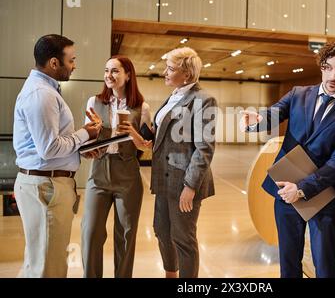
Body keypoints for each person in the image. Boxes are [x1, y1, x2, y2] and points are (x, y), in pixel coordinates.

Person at [241, 39, 335, 278]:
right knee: (288, 263)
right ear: (321, 67)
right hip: (285, 189)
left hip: (320, 195)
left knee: (325, 265)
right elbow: (273, 114)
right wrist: (257, 120)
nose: (333, 75)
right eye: (328, 67)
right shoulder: (298, 94)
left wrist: (302, 189)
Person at [13, 34, 102, 278]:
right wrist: (85, 133)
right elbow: (49, 149)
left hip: (47, 183)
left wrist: (80, 147)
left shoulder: (45, 90)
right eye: (71, 60)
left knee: (42, 260)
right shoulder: (41, 94)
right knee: (47, 267)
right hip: (46, 187)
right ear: (54, 63)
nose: (74, 66)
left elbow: (49, 144)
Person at [81, 55, 152, 278]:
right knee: (90, 233)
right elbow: (86, 141)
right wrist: (90, 140)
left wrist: (134, 135)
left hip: (128, 176)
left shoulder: (142, 107)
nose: (108, 75)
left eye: (114, 71)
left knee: (126, 236)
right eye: (106, 71)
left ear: (128, 75)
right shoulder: (94, 102)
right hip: (99, 174)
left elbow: (147, 149)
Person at [151, 47, 217, 278]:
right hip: (163, 179)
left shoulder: (204, 99)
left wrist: (190, 186)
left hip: (183, 182)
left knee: (183, 239)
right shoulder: (174, 96)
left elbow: (204, 147)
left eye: (170, 68)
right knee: (161, 231)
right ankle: (171, 274)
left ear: (187, 74)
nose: (164, 72)